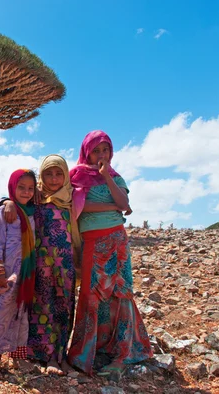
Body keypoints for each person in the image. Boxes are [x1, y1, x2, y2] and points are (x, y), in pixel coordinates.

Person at [67, 130, 152, 376]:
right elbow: (79, 206)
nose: (101, 155)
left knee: (120, 292)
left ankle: (122, 352)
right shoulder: (76, 176)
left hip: (117, 240)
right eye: (96, 150)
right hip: (92, 241)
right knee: (93, 293)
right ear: (87, 152)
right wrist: (114, 205)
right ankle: (86, 354)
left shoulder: (115, 177)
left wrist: (107, 178)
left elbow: (124, 203)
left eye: (105, 150)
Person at [0, 155, 80, 375]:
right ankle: (41, 355)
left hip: (65, 265)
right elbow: (17, 200)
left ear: (65, 175)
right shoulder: (36, 197)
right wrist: (5, 202)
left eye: (58, 173)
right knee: (42, 306)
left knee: (64, 308)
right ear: (41, 177)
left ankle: (59, 356)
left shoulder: (73, 198)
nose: (54, 179)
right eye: (48, 174)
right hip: (40, 264)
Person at [0, 169, 37, 380]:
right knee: (1, 310)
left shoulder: (32, 212)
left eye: (30, 188)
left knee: (22, 311)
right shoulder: (5, 211)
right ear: (12, 187)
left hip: (27, 270)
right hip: (9, 271)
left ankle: (18, 355)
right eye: (21, 187)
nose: (26, 192)